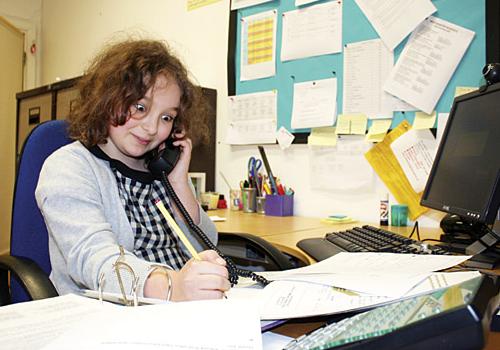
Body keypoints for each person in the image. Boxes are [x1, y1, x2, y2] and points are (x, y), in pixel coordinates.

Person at [35, 39, 230, 301]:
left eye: (166, 117)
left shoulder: (159, 170)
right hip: (112, 315)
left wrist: (179, 184)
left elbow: (206, 245)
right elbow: (96, 262)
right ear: (109, 99)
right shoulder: (69, 168)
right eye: (140, 107)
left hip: (180, 310)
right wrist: (174, 287)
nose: (151, 128)